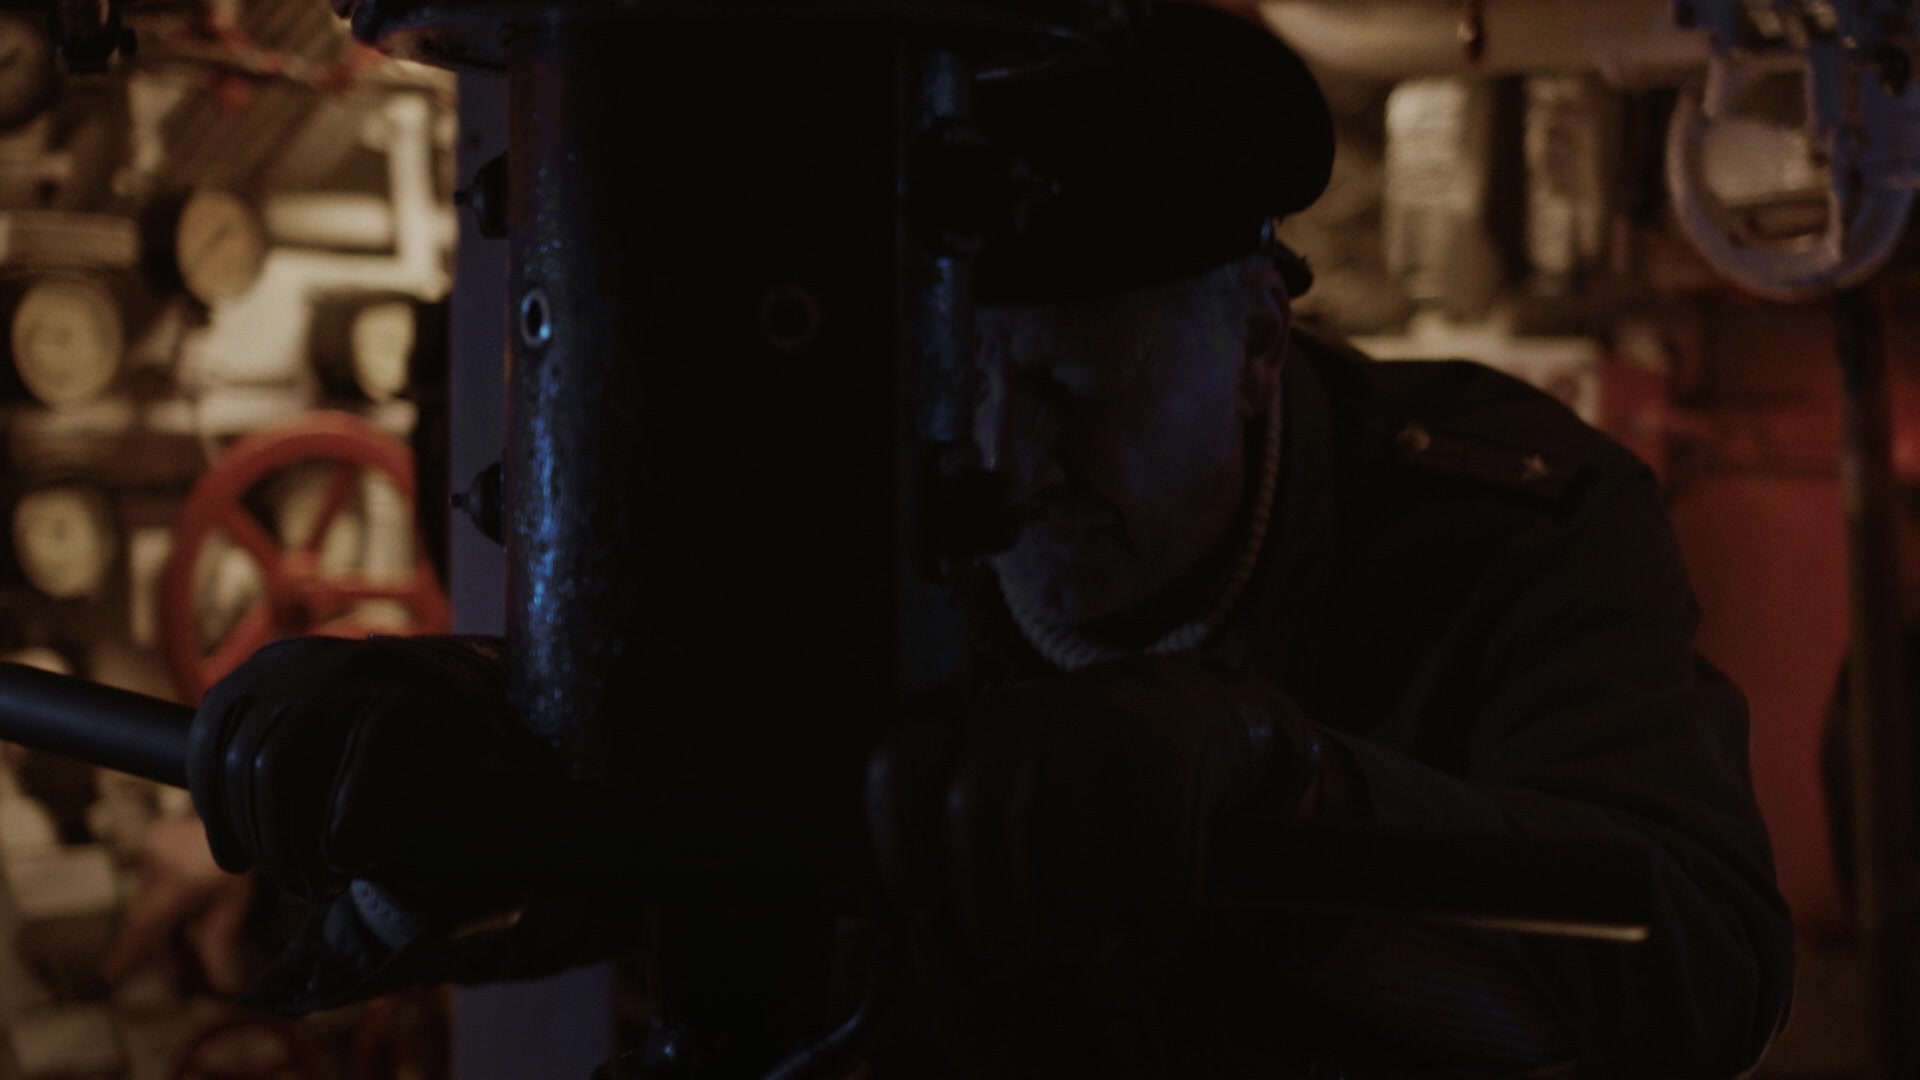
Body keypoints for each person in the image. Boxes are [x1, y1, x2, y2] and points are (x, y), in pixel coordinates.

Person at [164, 6, 1793, 1077]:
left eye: (1076, 388)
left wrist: (1279, 808)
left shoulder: (1505, 530)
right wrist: (425, 767)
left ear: (1252, 344)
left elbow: (1700, 975)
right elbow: (656, 835)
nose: (1004, 458)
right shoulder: (855, 513)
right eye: (957, 388)